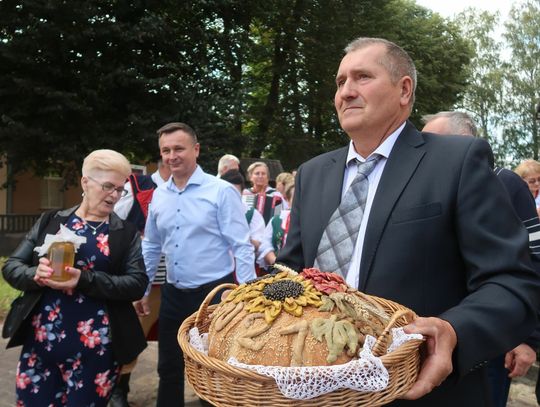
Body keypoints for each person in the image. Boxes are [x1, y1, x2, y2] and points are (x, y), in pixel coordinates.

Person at [277, 37, 540, 406]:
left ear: (404, 90)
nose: (346, 92)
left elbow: (511, 281)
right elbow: (290, 271)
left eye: (362, 77)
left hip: (423, 390)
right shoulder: (313, 173)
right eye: (340, 82)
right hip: (317, 387)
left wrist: (455, 330)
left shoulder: (457, 161)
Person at [2, 149, 148, 406]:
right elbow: (12, 266)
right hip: (41, 344)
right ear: (85, 182)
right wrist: (35, 273)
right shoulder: (51, 221)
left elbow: (137, 284)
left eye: (120, 189)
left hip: (96, 349)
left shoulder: (124, 233)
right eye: (108, 186)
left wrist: (84, 279)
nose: (114, 195)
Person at [422, 110, 540, 407]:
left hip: (489, 340)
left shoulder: (505, 182)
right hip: (437, 337)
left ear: (464, 141)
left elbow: (533, 260)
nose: (422, 152)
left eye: (432, 142)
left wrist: (529, 339)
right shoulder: (426, 190)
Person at [138, 122, 256, 407]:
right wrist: (143, 289)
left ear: (196, 149)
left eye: (178, 148)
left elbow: (241, 245)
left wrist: (247, 294)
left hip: (213, 295)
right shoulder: (159, 196)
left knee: (214, 370)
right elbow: (151, 246)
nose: (172, 156)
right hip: (173, 294)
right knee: (168, 367)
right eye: (166, 150)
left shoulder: (221, 191)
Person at [110, 160, 172, 407]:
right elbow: (113, 222)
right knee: (132, 335)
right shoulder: (138, 185)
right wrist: (136, 236)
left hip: (179, 278)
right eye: (168, 151)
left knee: (178, 337)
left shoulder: (192, 191)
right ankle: (118, 389)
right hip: (144, 278)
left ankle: (173, 392)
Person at [221, 169, 266, 254]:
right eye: (228, 192)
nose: (231, 196)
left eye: (235, 193)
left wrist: (240, 236)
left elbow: (259, 245)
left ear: (242, 193)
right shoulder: (211, 211)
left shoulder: (252, 214)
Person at [258, 180, 294, 268]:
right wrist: (275, 262)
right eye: (296, 198)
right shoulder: (277, 220)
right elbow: (265, 245)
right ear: (288, 201)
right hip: (280, 269)